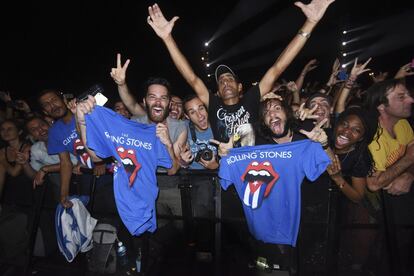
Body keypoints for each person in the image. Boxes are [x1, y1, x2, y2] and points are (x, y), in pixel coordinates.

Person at [147, 0, 335, 143]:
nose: (225, 83)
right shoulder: (213, 104)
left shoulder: (251, 99)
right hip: (228, 173)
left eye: (229, 79)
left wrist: (309, 23)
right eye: (221, 82)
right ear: (218, 91)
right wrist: (167, 38)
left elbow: (278, 67)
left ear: (239, 87)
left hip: (255, 167)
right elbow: (191, 77)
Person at [364, 78, 414, 275]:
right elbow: (375, 184)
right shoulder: (372, 137)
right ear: (381, 106)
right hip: (377, 210)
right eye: (402, 97)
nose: (411, 100)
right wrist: (408, 159)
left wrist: (409, 173)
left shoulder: (403, 124)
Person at [37, 89, 105, 208]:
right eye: (46, 105)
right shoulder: (54, 132)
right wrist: (63, 195)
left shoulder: (85, 110)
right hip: (88, 175)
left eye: (54, 100)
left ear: (64, 100)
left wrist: (101, 161)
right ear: (45, 112)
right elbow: (65, 163)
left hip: (112, 169)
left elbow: (105, 136)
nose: (52, 105)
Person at [15, 117, 78, 201]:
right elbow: (34, 176)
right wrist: (25, 164)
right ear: (32, 136)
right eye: (34, 129)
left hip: (81, 175)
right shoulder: (36, 149)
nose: (41, 130)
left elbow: (75, 162)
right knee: (54, 177)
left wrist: (46, 169)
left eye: (42, 125)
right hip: (58, 183)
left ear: (49, 125)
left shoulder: (65, 137)